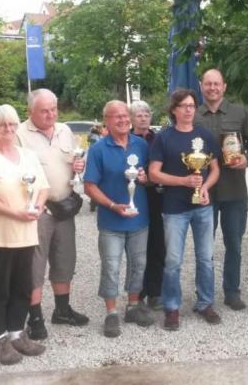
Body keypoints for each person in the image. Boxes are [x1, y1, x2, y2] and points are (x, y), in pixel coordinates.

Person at [0, 104, 49, 364]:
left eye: (13, 123)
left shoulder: (28, 155)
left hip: (26, 234)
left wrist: (38, 205)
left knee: (23, 287)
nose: (8, 128)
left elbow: (43, 186)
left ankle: (17, 333)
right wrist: (15, 213)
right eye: (1, 124)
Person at [15, 89, 88, 341]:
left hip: (65, 206)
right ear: (30, 111)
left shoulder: (64, 130)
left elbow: (74, 160)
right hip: (38, 210)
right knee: (35, 265)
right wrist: (36, 203)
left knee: (64, 259)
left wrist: (79, 166)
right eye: (44, 110)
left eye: (54, 109)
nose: (50, 115)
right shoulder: (19, 134)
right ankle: (34, 317)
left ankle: (62, 309)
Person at [148, 89, 221, 331]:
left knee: (206, 258)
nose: (189, 110)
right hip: (175, 207)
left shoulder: (205, 136)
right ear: (174, 110)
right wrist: (183, 182)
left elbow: (215, 170)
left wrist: (206, 187)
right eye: (184, 106)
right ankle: (171, 307)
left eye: (192, 105)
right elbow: (153, 173)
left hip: (203, 206)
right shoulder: (164, 138)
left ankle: (205, 303)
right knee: (173, 260)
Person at [84, 100, 155, 338]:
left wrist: (144, 178)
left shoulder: (141, 145)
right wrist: (112, 205)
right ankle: (111, 312)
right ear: (107, 121)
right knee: (111, 266)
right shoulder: (98, 149)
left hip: (139, 217)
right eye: (117, 116)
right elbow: (89, 186)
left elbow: (148, 177)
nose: (123, 120)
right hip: (111, 220)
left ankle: (133, 306)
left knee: (139, 264)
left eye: (126, 115)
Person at [194, 68, 248, 310]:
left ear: (224, 86)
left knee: (234, 244)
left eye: (216, 84)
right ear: (201, 86)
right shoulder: (193, 114)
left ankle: (232, 292)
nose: (212, 88)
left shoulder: (239, 112)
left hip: (234, 191)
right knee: (204, 247)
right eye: (208, 84)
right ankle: (205, 293)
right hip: (202, 192)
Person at [130, 100, 166, 310]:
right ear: (132, 119)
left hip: (155, 196)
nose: (143, 118)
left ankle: (155, 291)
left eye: (146, 114)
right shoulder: (127, 140)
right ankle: (138, 293)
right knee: (137, 248)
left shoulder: (159, 139)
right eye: (138, 115)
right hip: (134, 196)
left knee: (157, 245)